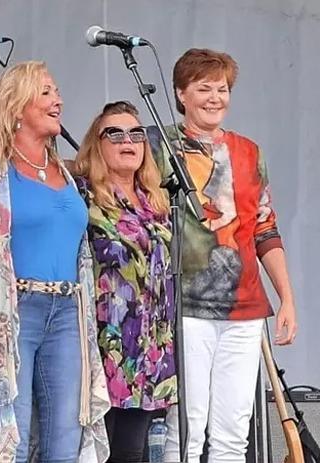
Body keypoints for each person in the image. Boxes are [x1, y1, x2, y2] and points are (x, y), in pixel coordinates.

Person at [0, 60, 110, 463]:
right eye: (45, 92)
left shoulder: (67, 171)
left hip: (69, 309)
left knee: (66, 436)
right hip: (16, 308)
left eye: (56, 92)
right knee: (11, 433)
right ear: (17, 107)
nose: (57, 100)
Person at [149, 48, 298, 462]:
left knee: (234, 435)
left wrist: (286, 297)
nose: (215, 97)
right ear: (181, 94)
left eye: (222, 88)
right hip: (186, 307)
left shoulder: (250, 152)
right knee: (187, 430)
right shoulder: (157, 143)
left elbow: (265, 228)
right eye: (204, 88)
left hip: (245, 310)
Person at [73, 101, 176, 462]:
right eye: (114, 133)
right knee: (95, 447)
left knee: (132, 451)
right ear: (97, 144)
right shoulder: (82, 195)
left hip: (150, 347)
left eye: (136, 133)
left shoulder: (157, 200)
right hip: (106, 342)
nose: (127, 140)